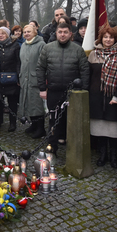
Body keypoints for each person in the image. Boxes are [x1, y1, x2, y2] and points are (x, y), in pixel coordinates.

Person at [37, 18, 89, 151]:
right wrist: (42, 88)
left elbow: (84, 71)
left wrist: (83, 90)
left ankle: (73, 150)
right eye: (60, 32)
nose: (62, 34)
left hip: (72, 93)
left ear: (70, 33)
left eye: (65, 32)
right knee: (53, 121)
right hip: (53, 91)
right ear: (56, 33)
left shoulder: (78, 50)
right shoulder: (48, 48)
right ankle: (52, 147)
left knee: (72, 121)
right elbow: (40, 68)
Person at [87, 25, 117, 168]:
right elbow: (88, 76)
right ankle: (103, 154)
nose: (108, 40)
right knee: (100, 129)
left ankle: (114, 156)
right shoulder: (93, 54)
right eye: (105, 37)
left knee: (113, 129)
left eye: (111, 37)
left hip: (113, 98)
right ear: (101, 39)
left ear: (115, 39)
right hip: (96, 97)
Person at [0, 27, 21, 132]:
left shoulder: (14, 45)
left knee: (12, 101)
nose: (1, 35)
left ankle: (12, 123)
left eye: (3, 34)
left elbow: (18, 61)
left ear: (7, 35)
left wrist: (18, 75)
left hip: (11, 76)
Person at [18, 23, 46, 138]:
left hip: (35, 80)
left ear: (35, 32)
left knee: (37, 105)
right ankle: (33, 125)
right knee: (29, 104)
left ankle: (41, 128)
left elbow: (43, 63)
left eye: (29, 31)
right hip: (25, 79)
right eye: (25, 32)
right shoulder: (24, 45)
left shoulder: (41, 44)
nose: (26, 34)